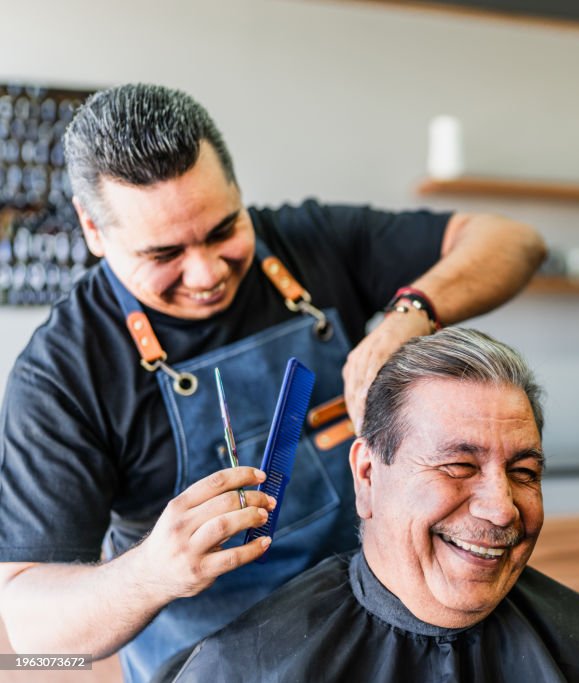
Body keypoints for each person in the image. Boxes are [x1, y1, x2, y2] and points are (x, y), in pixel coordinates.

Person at [0, 84, 546, 682]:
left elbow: (515, 242)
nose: (206, 273)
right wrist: (151, 573)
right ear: (93, 229)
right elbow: (31, 631)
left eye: (223, 230)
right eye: (164, 254)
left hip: (378, 641)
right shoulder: (63, 376)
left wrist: (412, 313)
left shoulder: (307, 242)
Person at [156, 327, 579, 682]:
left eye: (523, 473)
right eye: (458, 465)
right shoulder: (246, 667)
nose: (502, 509)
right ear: (367, 475)